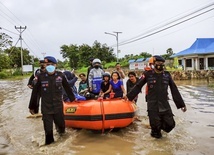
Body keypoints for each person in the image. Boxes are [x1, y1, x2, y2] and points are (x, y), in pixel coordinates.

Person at [125, 55, 187, 139]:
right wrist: (128, 97)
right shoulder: (148, 74)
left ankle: (159, 127)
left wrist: (181, 104)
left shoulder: (167, 75)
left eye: (162, 63)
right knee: (155, 131)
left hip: (164, 104)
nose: (160, 65)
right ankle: (156, 141)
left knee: (171, 124)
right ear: (154, 64)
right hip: (152, 105)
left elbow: (174, 89)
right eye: (158, 63)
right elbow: (138, 86)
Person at [28, 56, 75, 145]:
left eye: (51, 64)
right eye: (47, 64)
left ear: (55, 65)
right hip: (46, 108)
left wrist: (73, 100)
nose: (49, 66)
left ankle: (62, 147)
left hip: (58, 107)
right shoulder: (40, 76)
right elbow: (35, 93)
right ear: (45, 65)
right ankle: (49, 148)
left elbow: (68, 88)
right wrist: (32, 107)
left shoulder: (61, 75)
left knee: (61, 129)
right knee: (48, 131)